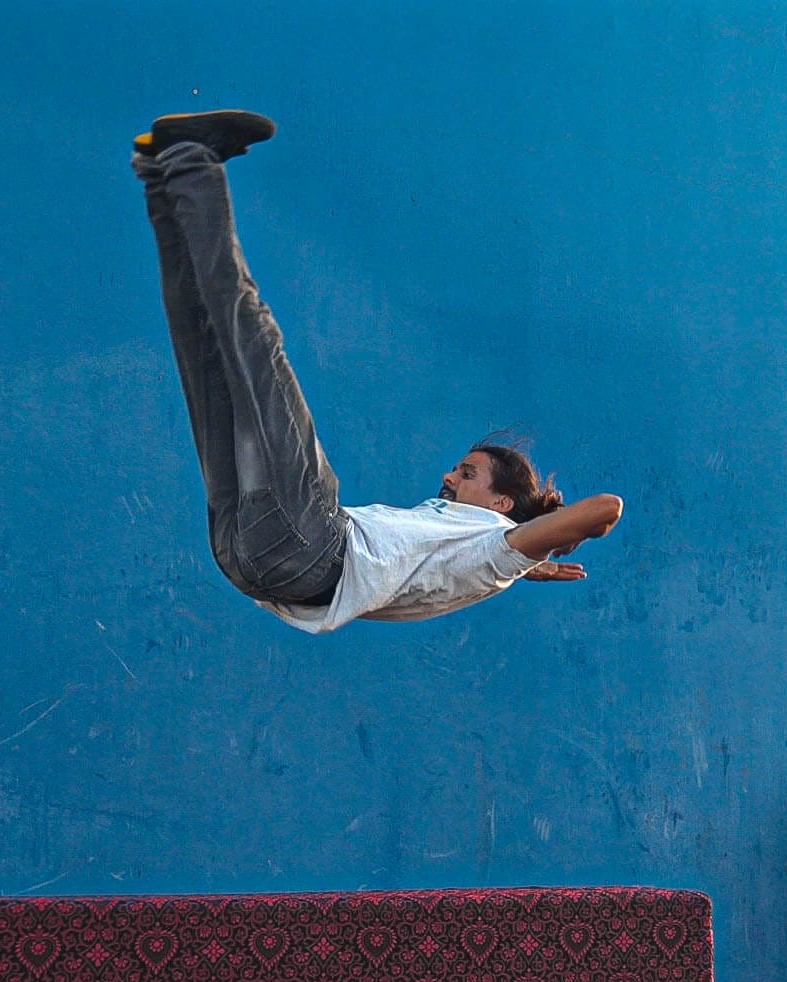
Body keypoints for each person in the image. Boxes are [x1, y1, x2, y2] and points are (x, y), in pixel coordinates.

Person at [132, 109, 625, 633]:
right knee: (205, 353)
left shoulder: (493, 546)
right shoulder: (480, 549)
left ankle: (192, 158)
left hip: (306, 544)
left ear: (501, 503)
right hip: (254, 561)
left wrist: (541, 544)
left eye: (467, 473)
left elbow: (606, 509)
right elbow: (460, 565)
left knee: (256, 339)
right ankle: (163, 175)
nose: (449, 476)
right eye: (459, 468)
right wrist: (529, 557)